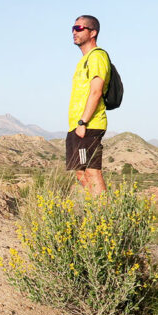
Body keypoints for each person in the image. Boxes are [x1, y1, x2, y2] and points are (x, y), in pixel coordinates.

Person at [66, 15, 111, 194]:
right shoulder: (83, 61)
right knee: (80, 173)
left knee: (92, 172)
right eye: (73, 28)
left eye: (79, 28)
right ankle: (97, 212)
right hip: (77, 126)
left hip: (88, 124)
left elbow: (96, 91)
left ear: (93, 33)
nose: (74, 32)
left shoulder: (97, 56)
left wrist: (83, 122)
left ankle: (105, 217)